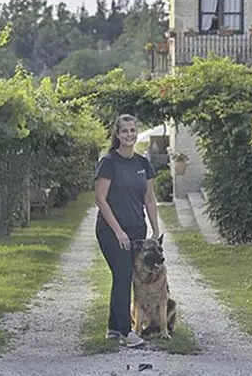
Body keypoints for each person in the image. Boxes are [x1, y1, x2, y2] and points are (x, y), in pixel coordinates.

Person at [94, 114, 160, 348]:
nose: (129, 135)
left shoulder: (143, 164)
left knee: (125, 277)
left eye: (133, 130)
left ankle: (113, 328)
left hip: (137, 230)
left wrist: (155, 229)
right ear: (117, 134)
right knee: (122, 275)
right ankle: (126, 331)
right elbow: (100, 199)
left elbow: (149, 198)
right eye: (125, 131)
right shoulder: (108, 162)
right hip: (111, 231)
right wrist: (118, 231)